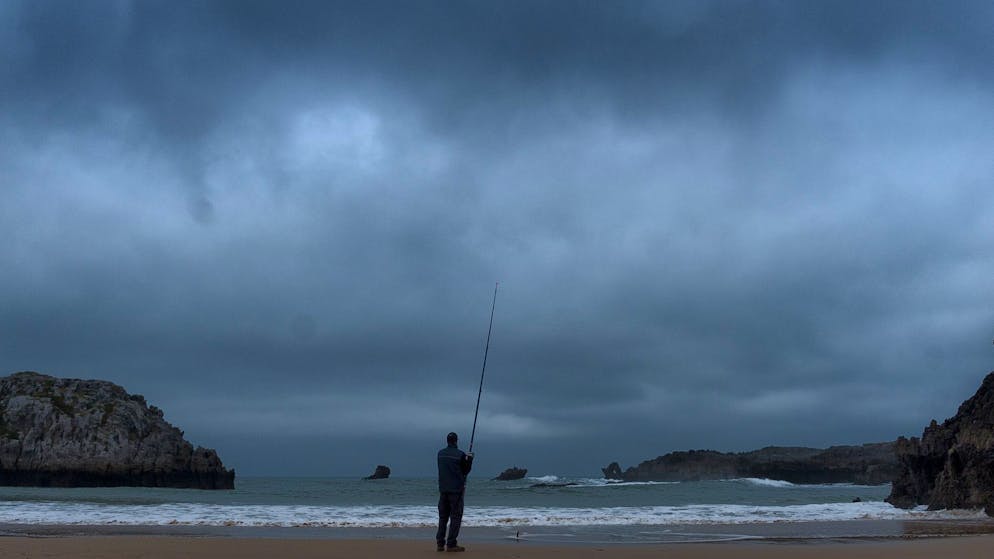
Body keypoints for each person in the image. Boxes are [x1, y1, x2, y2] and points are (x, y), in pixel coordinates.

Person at [436, 431, 473, 552]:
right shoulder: (460, 454)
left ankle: (440, 543)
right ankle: (451, 544)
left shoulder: (440, 454)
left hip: (443, 490)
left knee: (443, 517)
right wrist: (469, 459)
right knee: (455, 517)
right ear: (456, 441)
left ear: (447, 441)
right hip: (456, 491)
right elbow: (465, 471)